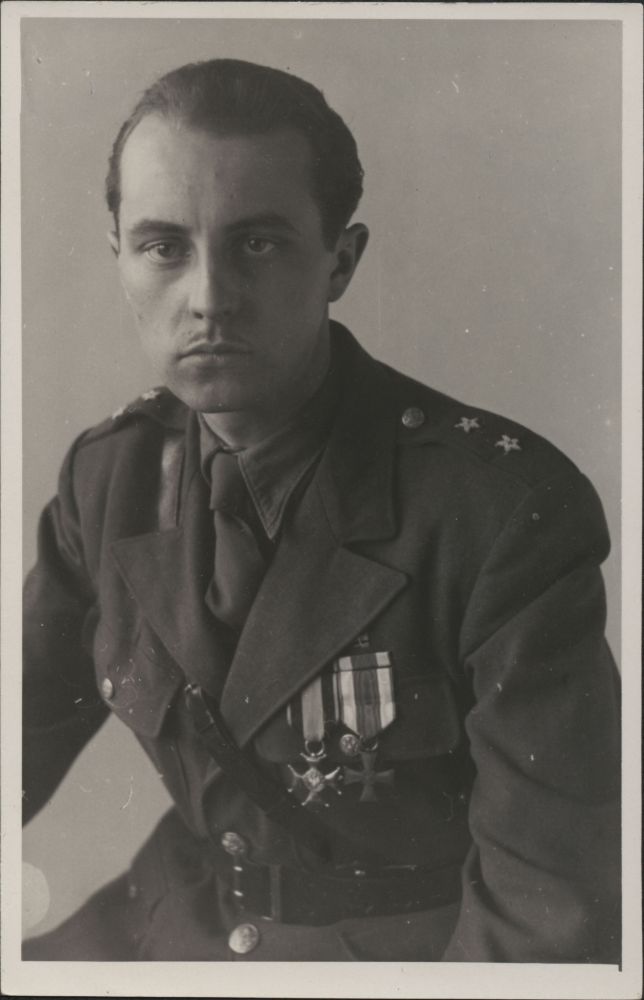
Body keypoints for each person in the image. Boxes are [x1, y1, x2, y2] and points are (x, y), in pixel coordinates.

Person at [22, 57, 620, 963]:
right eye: (164, 247)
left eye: (258, 244)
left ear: (340, 260)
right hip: (171, 922)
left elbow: (549, 910)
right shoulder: (110, 478)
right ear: (120, 260)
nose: (209, 298)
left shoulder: (497, 515)